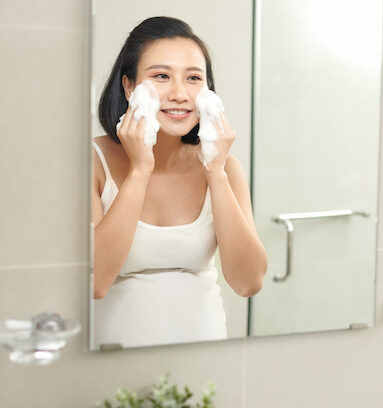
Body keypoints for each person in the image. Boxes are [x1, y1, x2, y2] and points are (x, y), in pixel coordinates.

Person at [91, 17, 266, 347]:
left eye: (193, 79)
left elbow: (248, 282)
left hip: (204, 360)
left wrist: (216, 172)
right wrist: (140, 170)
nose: (179, 94)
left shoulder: (225, 168)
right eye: (161, 76)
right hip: (112, 363)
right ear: (129, 87)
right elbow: (96, 282)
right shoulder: (92, 163)